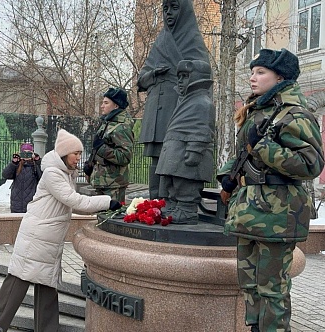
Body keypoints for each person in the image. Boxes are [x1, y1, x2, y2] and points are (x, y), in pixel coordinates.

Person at [218, 49, 324, 332]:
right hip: (249, 210)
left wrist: (265, 147)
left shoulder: (295, 114)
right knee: (250, 285)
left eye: (260, 72)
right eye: (252, 72)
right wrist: (229, 176)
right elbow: (243, 154)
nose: (252, 77)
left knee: (272, 289)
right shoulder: (260, 111)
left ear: (280, 77)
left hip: (278, 215)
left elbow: (311, 164)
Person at [0, 129, 122, 332]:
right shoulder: (53, 173)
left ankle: (47, 329)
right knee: (19, 280)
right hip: (37, 236)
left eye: (80, 154)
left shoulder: (66, 173)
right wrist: (107, 202)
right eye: (76, 154)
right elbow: (74, 201)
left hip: (47, 238)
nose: (78, 158)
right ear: (64, 153)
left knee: (46, 284)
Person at [137, 0, 209, 199]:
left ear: (184, 10)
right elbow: (141, 78)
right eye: (165, 8)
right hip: (156, 108)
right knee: (155, 159)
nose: (168, 13)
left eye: (174, 8)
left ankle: (170, 203)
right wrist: (154, 74)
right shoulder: (161, 39)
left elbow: (202, 76)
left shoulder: (192, 40)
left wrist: (178, 72)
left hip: (176, 108)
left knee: (172, 158)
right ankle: (155, 203)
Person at [156, 60, 215, 224]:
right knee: (172, 184)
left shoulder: (203, 103)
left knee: (185, 185)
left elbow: (202, 129)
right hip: (175, 152)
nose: (180, 81)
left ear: (197, 78)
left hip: (187, 155)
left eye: (185, 76)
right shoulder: (184, 101)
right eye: (179, 77)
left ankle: (187, 209)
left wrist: (195, 150)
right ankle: (173, 205)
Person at [83, 87, 134, 202]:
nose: (102, 106)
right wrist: (90, 166)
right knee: (100, 217)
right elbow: (98, 148)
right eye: (102, 102)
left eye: (106, 103)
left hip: (113, 185)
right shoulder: (108, 123)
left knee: (112, 218)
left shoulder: (122, 126)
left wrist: (102, 148)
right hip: (102, 182)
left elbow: (125, 156)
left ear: (116, 105)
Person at [1, 142, 42, 213]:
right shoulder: (17, 166)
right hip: (16, 204)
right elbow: (5, 175)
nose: (26, 156)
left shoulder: (35, 166)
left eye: (28, 153)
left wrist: (37, 162)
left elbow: (42, 178)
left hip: (31, 204)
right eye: (24, 153)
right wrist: (13, 163)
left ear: (32, 154)